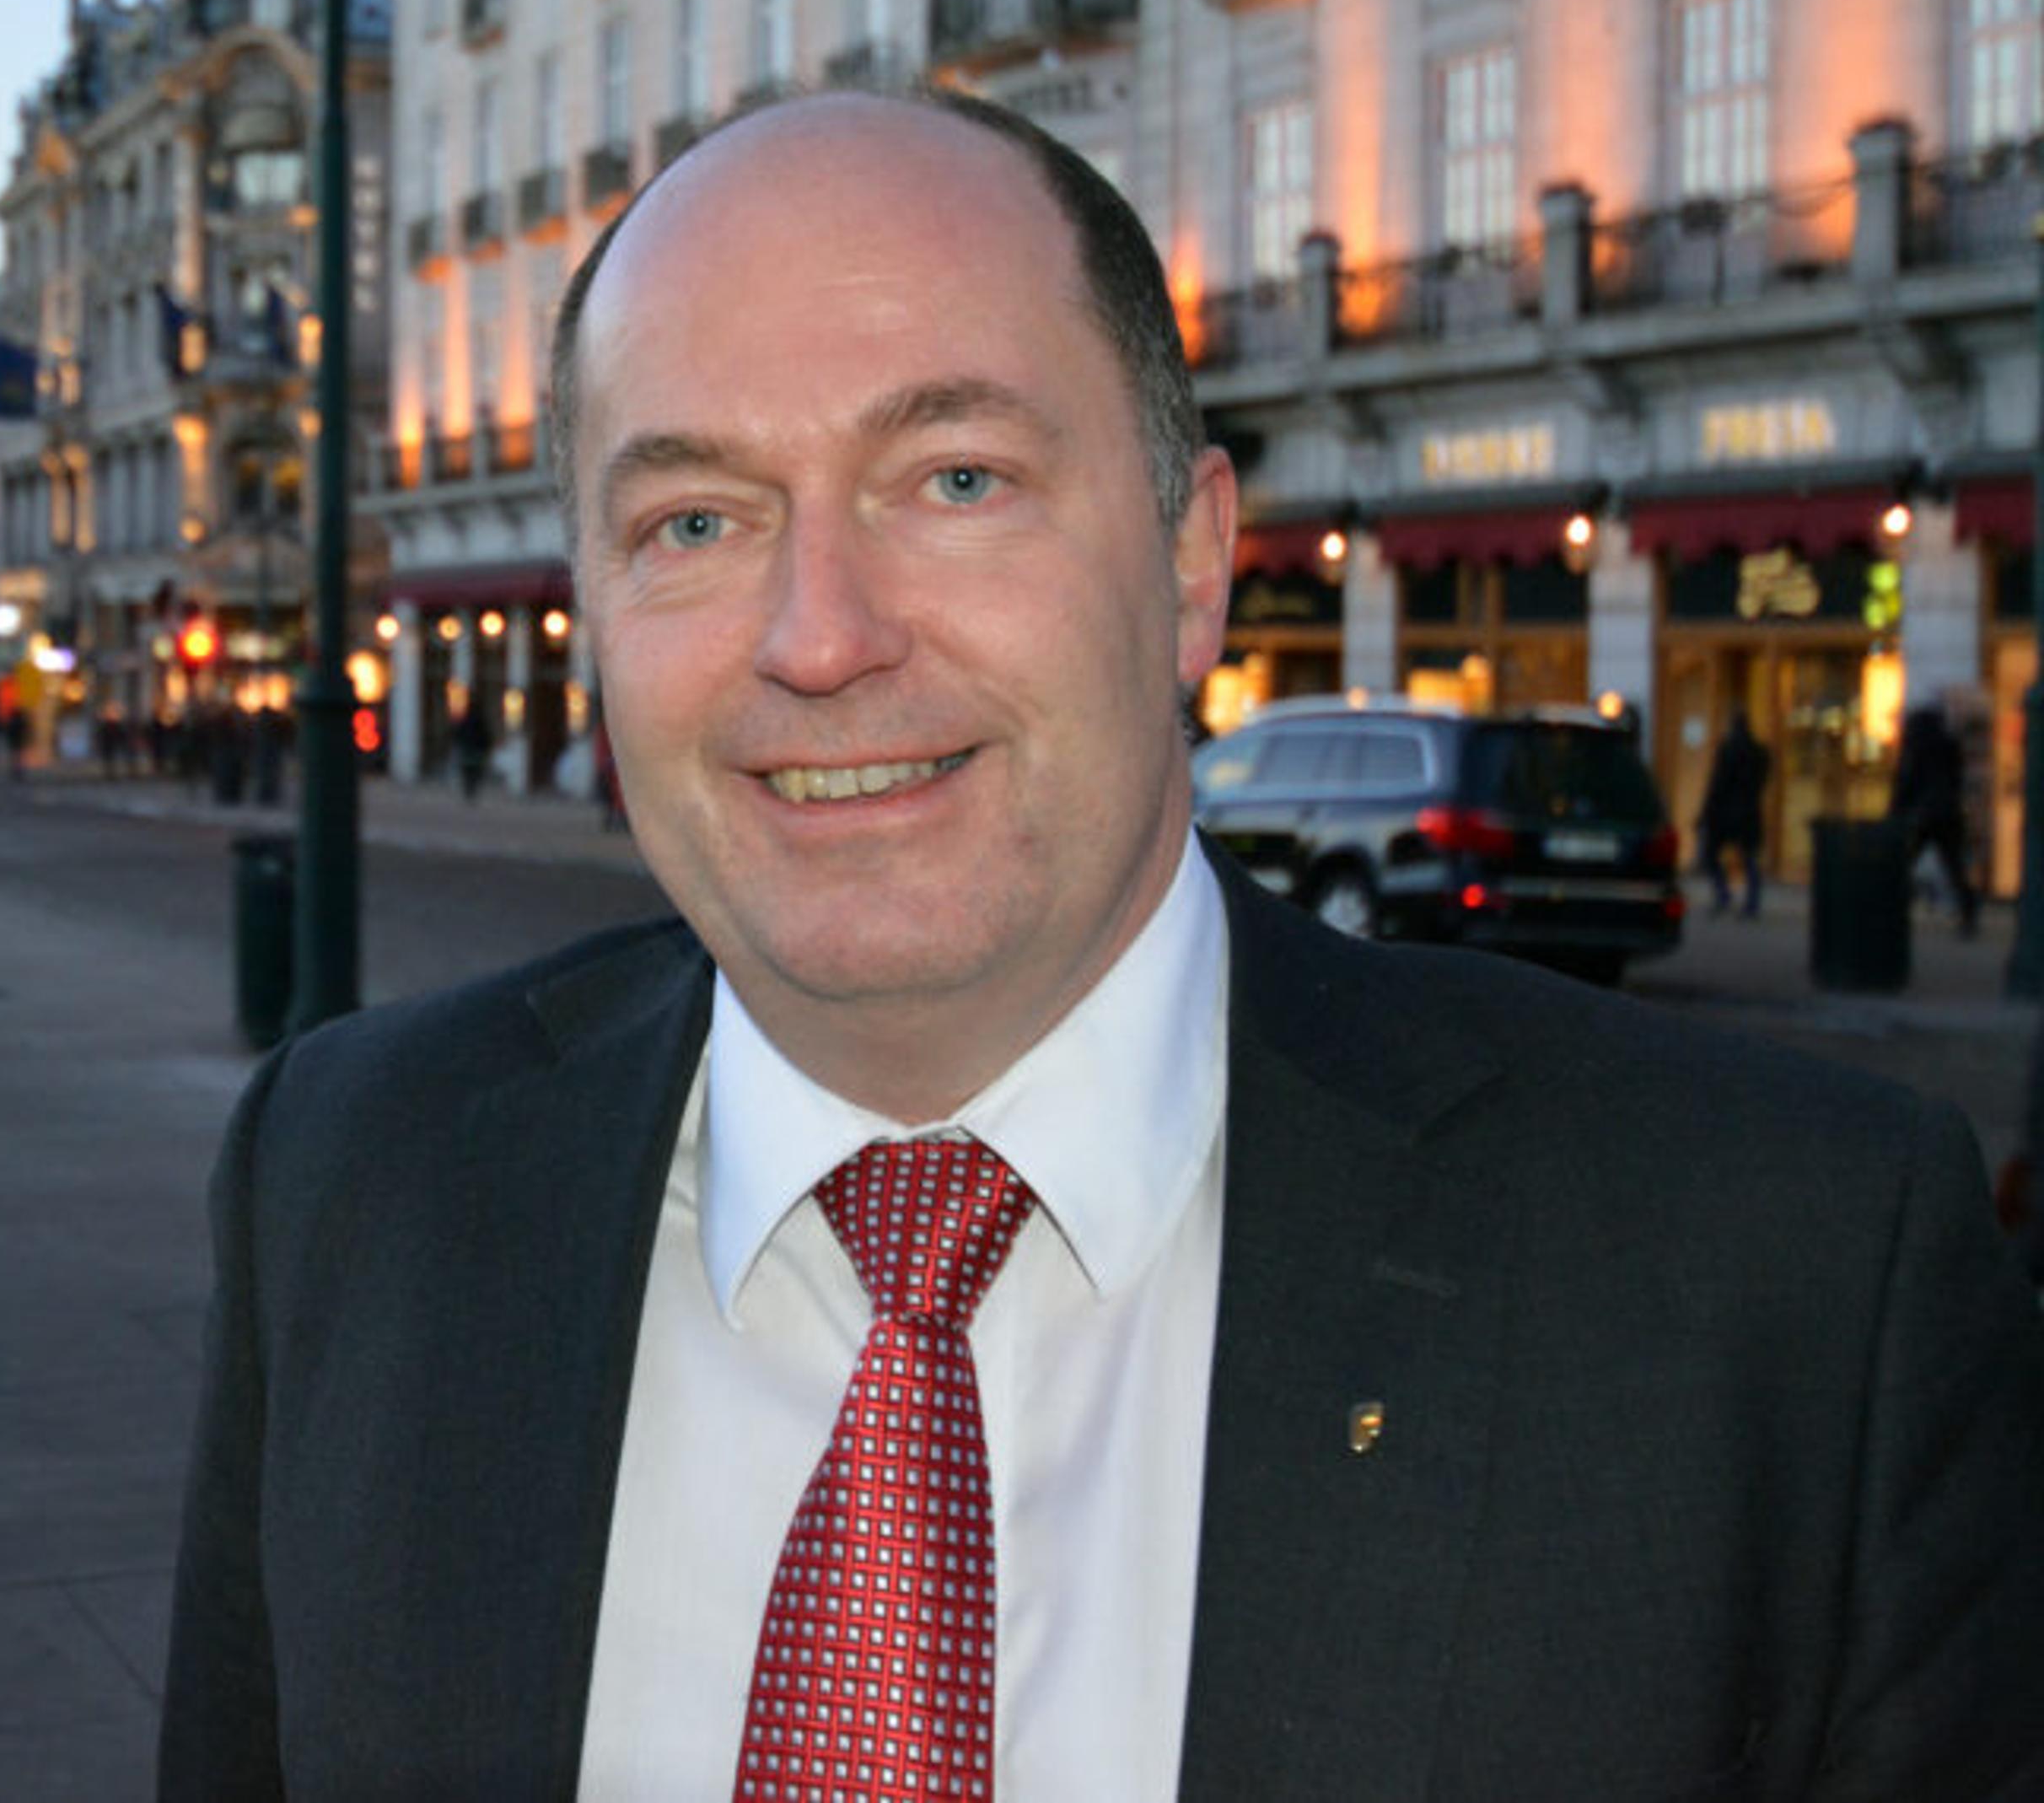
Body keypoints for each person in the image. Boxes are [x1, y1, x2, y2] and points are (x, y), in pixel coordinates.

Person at [158, 93, 2044, 1796]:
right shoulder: (353, 1182)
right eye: (696, 518)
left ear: (1190, 562)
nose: (819, 636)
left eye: (957, 480)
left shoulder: (1789, 1279)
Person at [1892, 700, 1979, 938]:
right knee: (1954, 866)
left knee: (1903, 864)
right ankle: (1969, 914)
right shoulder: (1949, 743)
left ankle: (1895, 909)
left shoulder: (1916, 744)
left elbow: (1908, 779)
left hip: (1924, 813)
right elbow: (1957, 778)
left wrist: (1896, 810)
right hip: (1948, 812)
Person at [1694, 705, 1770, 918]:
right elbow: (1762, 780)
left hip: (1726, 812)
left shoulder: (1729, 749)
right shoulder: (1759, 752)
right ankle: (1751, 902)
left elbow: (1718, 783)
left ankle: (1724, 895)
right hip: (1749, 811)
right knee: (1749, 857)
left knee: (1711, 854)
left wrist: (1706, 813)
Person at [450, 695, 496, 802]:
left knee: (468, 772)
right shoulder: (481, 721)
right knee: (475, 772)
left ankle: (468, 790)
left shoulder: (466, 720)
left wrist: (459, 744)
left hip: (468, 750)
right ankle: (472, 790)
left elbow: (458, 734)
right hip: (476, 751)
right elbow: (486, 736)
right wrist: (486, 747)